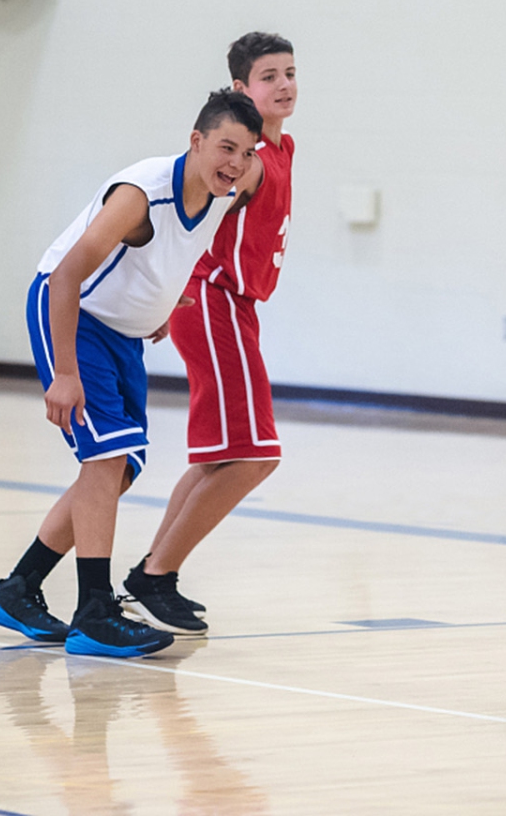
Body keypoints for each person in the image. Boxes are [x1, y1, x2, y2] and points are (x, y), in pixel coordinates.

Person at [0, 88, 264, 659]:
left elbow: (184, 249)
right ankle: (94, 612)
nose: (235, 163)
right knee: (104, 459)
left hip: (124, 333)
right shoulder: (142, 195)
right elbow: (64, 277)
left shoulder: (226, 190)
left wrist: (163, 304)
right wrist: (65, 373)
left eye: (245, 152)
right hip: (73, 314)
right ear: (196, 140)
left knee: (120, 470)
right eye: (225, 147)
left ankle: (18, 589)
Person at [125, 31, 297, 635]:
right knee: (256, 457)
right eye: (268, 76)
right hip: (212, 298)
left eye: (290, 73)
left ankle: (154, 573)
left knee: (222, 457)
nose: (284, 85)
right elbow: (192, 215)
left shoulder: (282, 149)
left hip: (233, 303)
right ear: (239, 89)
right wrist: (168, 290)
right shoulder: (247, 164)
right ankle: (154, 576)